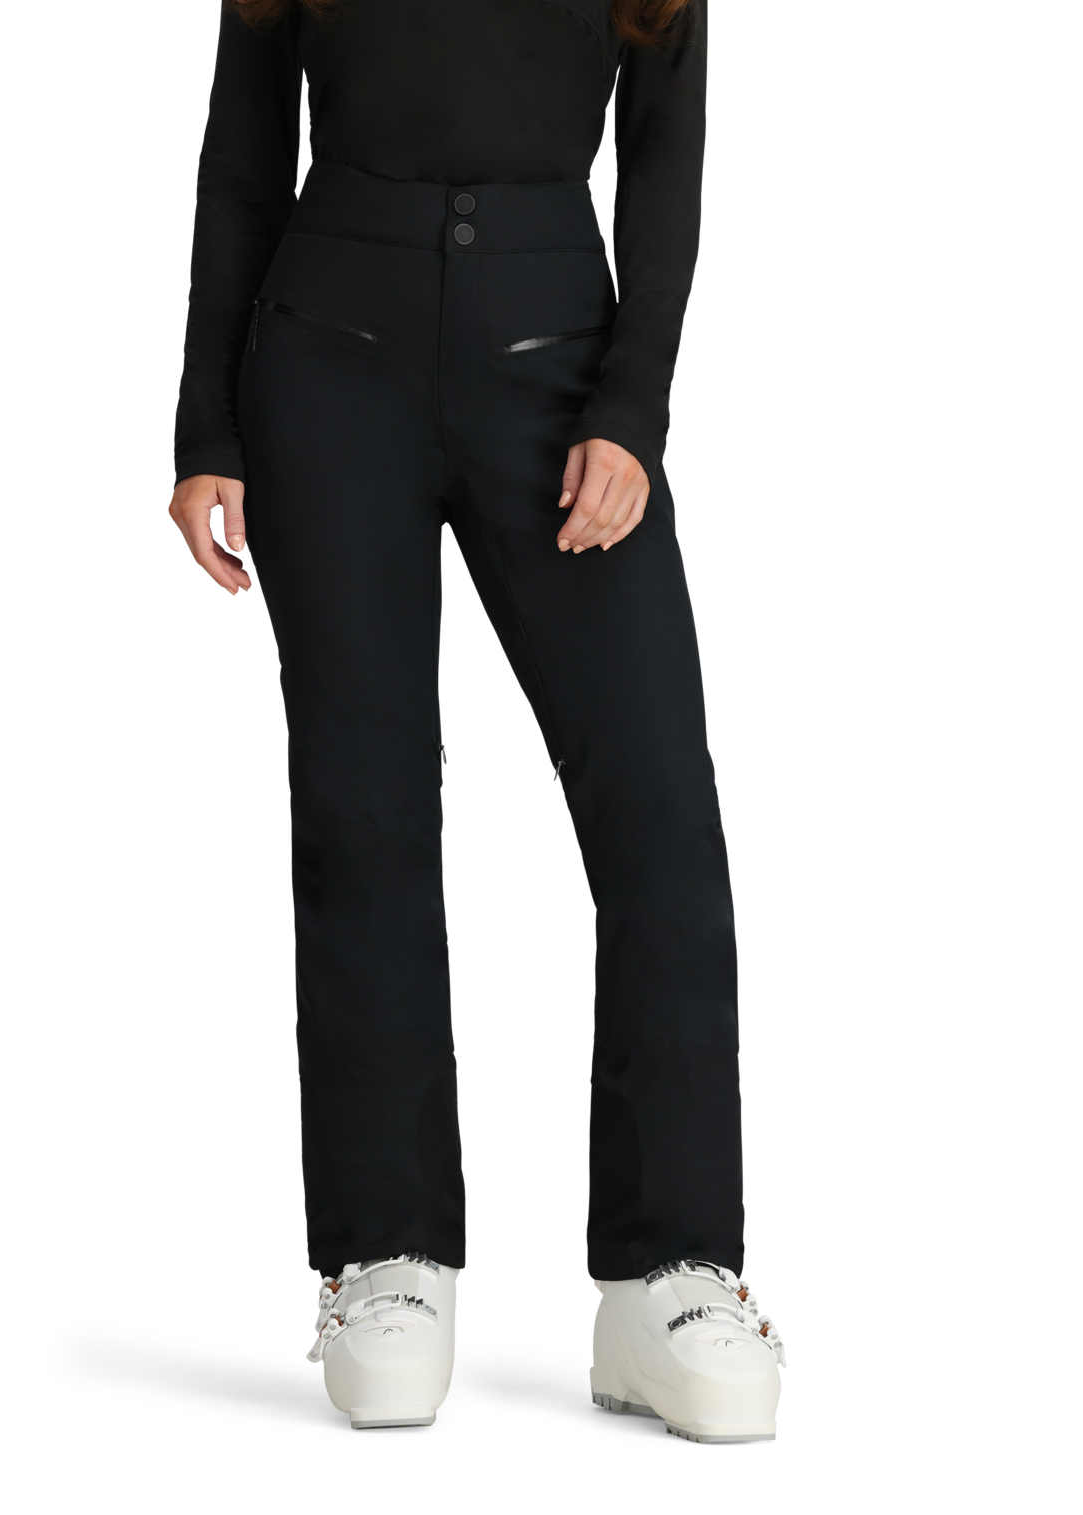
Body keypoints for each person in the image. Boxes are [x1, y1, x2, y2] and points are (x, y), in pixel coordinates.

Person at [167, 0, 787, 1439]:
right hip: (328, 348)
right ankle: (387, 1256)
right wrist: (204, 425)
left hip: (560, 352)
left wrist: (633, 407)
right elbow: (242, 155)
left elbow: (671, 149)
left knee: (660, 808)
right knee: (361, 811)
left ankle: (669, 1273)